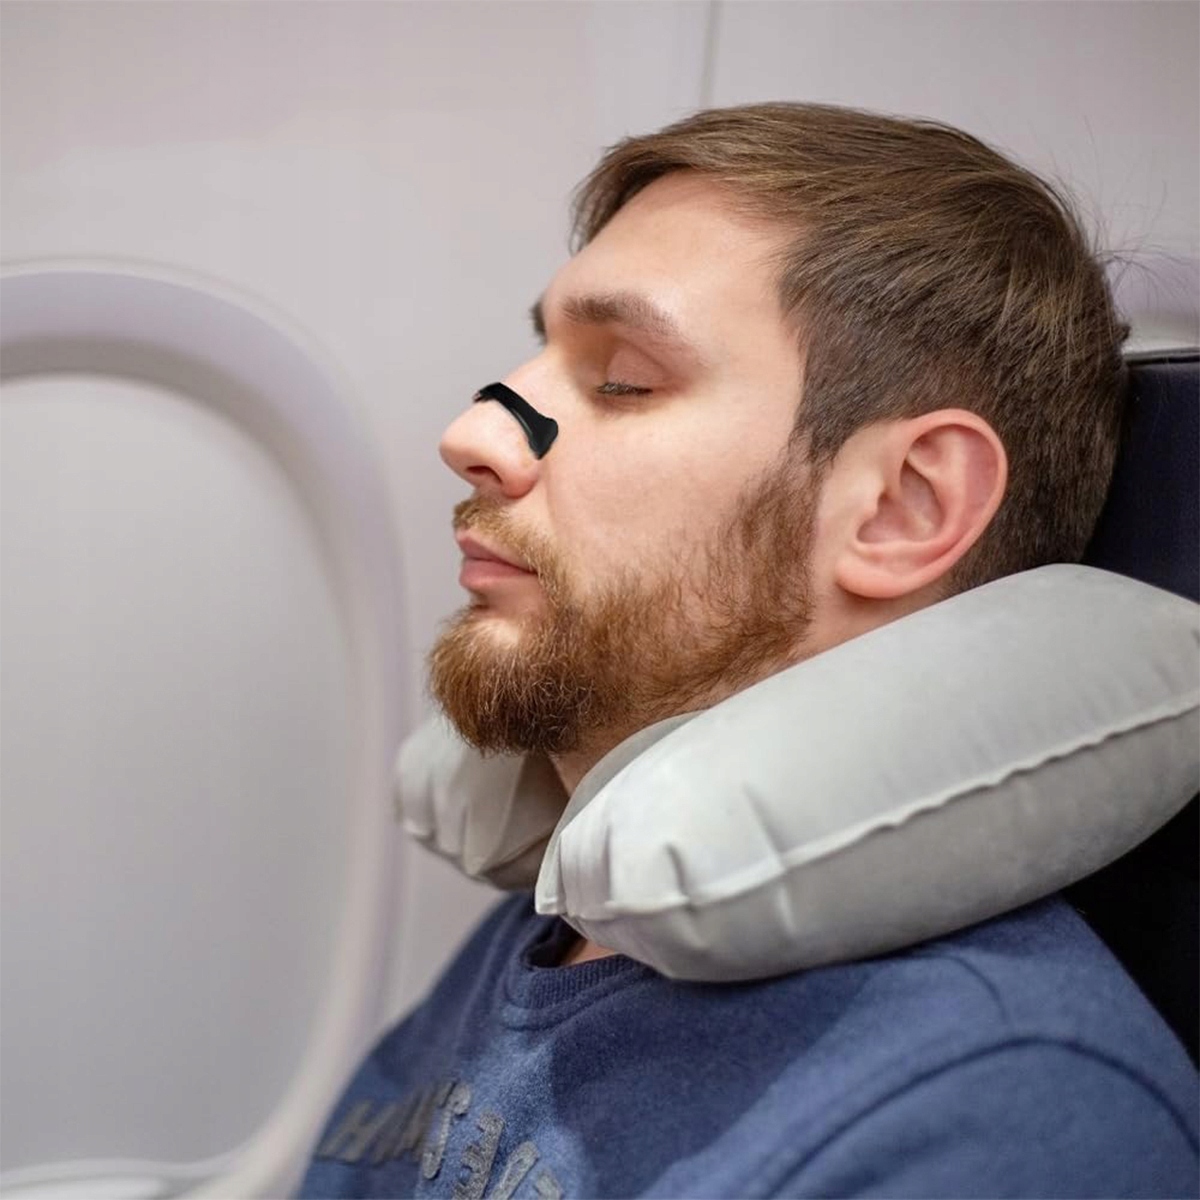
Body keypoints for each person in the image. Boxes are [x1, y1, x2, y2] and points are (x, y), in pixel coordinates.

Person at [298, 103, 1199, 1198]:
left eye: (622, 378)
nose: (476, 433)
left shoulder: (999, 1116)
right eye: (541, 352)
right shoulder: (568, 919)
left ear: (903, 506)